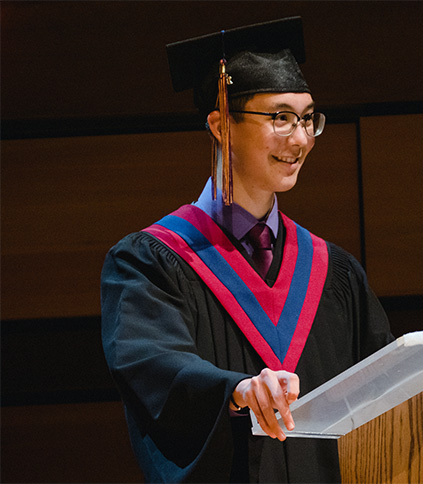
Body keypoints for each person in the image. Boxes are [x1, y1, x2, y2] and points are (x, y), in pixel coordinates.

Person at [101, 17, 394, 483]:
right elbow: (154, 367)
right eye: (280, 118)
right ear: (221, 125)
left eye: (307, 119)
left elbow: (386, 393)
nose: (299, 139)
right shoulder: (151, 262)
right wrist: (236, 389)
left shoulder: (334, 272)